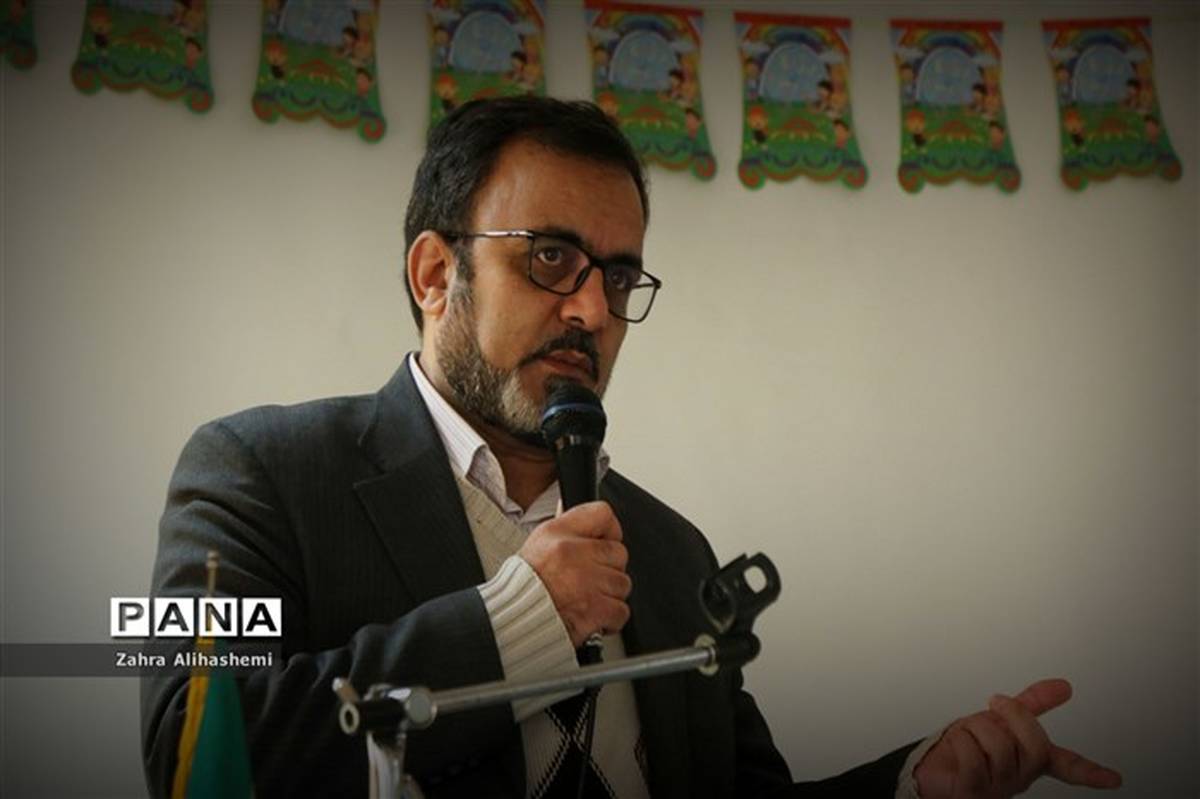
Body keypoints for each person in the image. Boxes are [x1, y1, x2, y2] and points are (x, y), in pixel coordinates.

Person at [142, 97, 1123, 798]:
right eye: (551, 257)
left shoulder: (672, 549)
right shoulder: (244, 468)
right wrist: (521, 620)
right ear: (436, 273)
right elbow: (186, 743)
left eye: (618, 277)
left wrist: (916, 780)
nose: (592, 310)